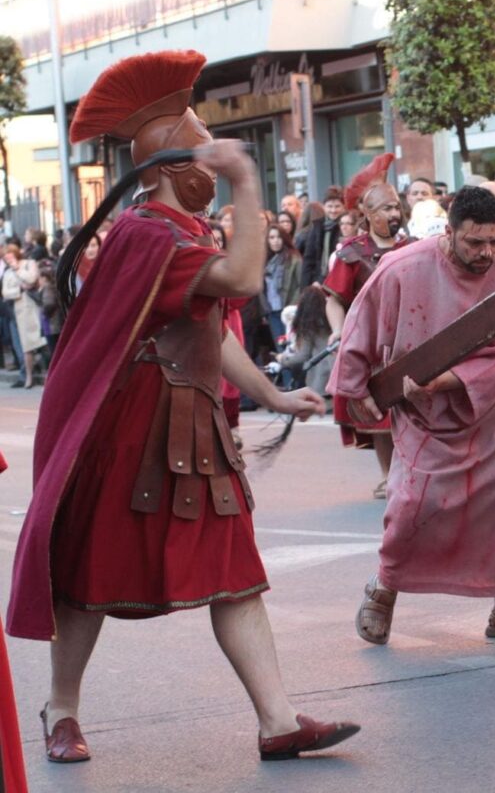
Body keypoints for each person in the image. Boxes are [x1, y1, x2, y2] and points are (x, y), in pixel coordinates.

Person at [7, 50, 359, 763]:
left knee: (237, 576)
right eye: (199, 150)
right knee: (89, 579)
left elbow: (208, 324)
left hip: (192, 427)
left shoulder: (177, 235)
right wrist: (247, 179)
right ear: (171, 165)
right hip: (132, 432)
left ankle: (277, 719)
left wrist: (268, 393)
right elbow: (241, 278)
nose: (212, 161)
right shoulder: (149, 235)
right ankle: (62, 710)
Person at [328, 187, 495, 644]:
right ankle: (383, 590)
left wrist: (447, 380)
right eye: (474, 243)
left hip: (494, 408)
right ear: (448, 233)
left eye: (493, 240)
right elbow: (360, 326)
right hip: (422, 412)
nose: (486, 252)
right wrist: (353, 391)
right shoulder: (401, 267)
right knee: (412, 505)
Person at [324, 154, 413, 498]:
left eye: (395, 207)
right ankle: (388, 473)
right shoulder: (352, 252)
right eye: (385, 209)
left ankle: (411, 470)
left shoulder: (414, 246)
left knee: (413, 408)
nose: (393, 214)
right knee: (379, 414)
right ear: (368, 215)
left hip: (409, 339)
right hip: (371, 343)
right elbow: (333, 298)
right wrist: (338, 330)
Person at [2, 243, 45, 389]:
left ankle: (39, 371)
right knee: (24, 346)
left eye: (10, 256)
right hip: (16, 312)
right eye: (6, 258)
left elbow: (32, 279)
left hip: (32, 309)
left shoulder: (28, 264)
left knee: (39, 342)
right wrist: (19, 290)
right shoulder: (7, 272)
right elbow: (5, 292)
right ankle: (28, 375)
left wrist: (18, 269)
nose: (9, 260)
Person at [262, 224, 301, 345]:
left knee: (292, 345)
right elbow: (261, 289)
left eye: (279, 237)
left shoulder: (294, 258)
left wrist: (293, 306)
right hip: (271, 310)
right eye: (271, 237)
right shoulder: (265, 261)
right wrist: (264, 310)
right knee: (279, 344)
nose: (275, 241)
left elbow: (301, 285)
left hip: (289, 310)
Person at [300, 186, 346, 288]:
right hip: (318, 282)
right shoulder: (317, 226)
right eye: (330, 206)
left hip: (339, 281)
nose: (333, 210)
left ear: (343, 207)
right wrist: (306, 287)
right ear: (324, 206)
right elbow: (309, 259)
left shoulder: (346, 226)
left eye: (337, 206)